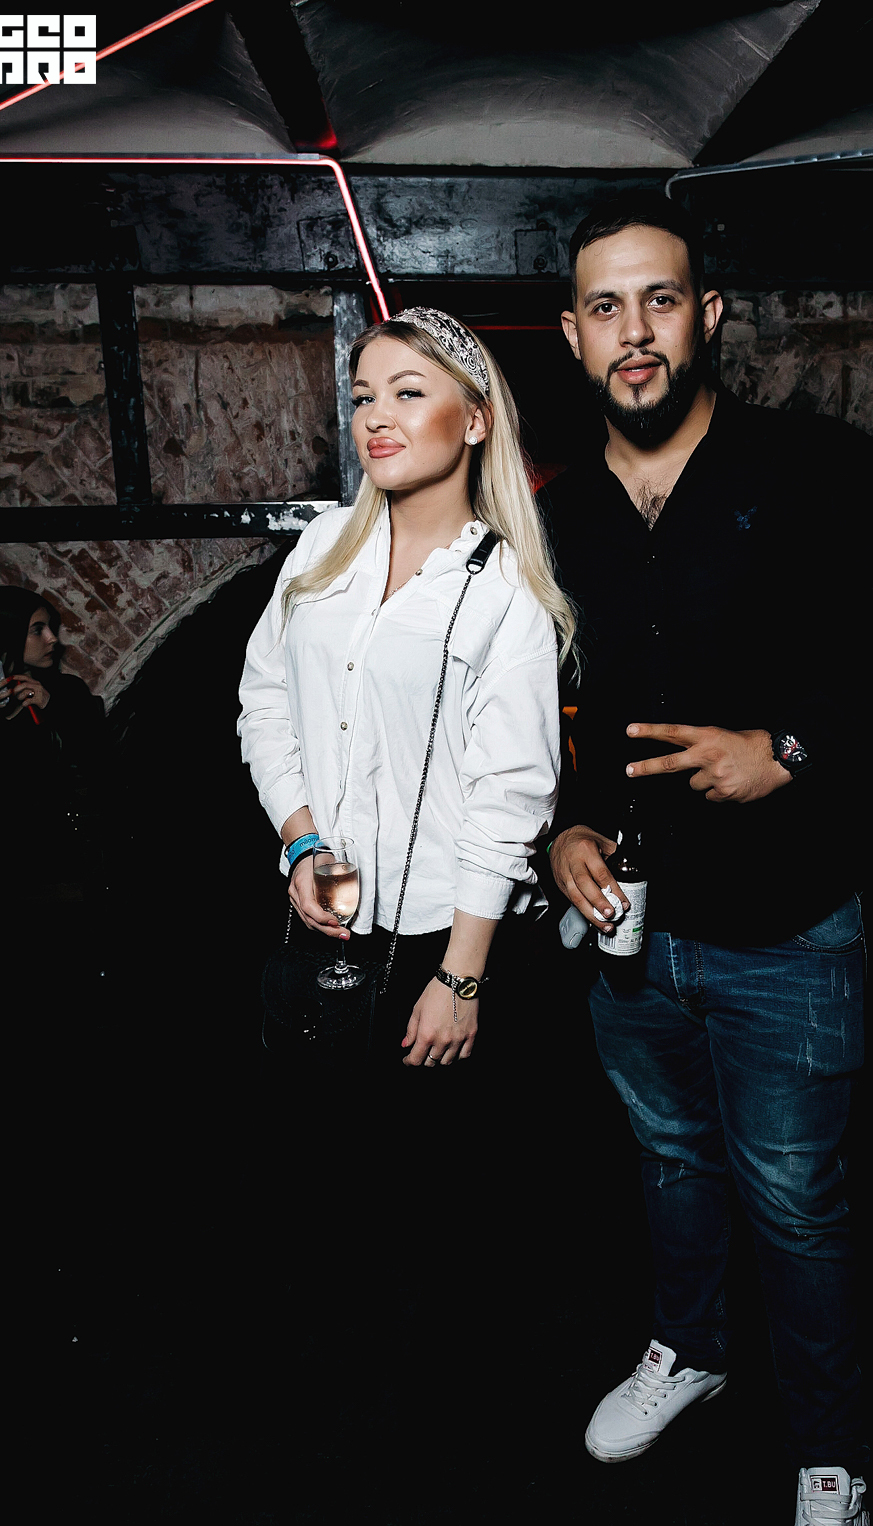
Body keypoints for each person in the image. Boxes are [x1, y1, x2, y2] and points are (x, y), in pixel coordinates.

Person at [540, 193, 873, 1526]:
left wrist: (785, 749)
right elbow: (541, 714)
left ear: (708, 316)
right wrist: (562, 829)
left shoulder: (816, 471)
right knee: (670, 1158)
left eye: (660, 300)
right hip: (629, 933)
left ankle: (836, 1463)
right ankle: (691, 1350)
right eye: (607, 307)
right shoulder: (555, 517)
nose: (635, 333)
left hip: (789, 924)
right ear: (573, 334)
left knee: (794, 1201)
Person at [238, 307, 573, 1071]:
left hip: (448, 934)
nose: (376, 417)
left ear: (476, 421)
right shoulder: (322, 546)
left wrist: (460, 977)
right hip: (325, 913)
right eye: (363, 397)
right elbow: (266, 702)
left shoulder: (506, 590)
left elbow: (512, 796)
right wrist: (303, 842)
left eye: (409, 392)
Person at [0, 585, 110, 987]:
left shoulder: (67, 693)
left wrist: (54, 707)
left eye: (51, 627)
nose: (52, 639)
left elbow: (102, 764)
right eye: (38, 630)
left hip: (66, 870)